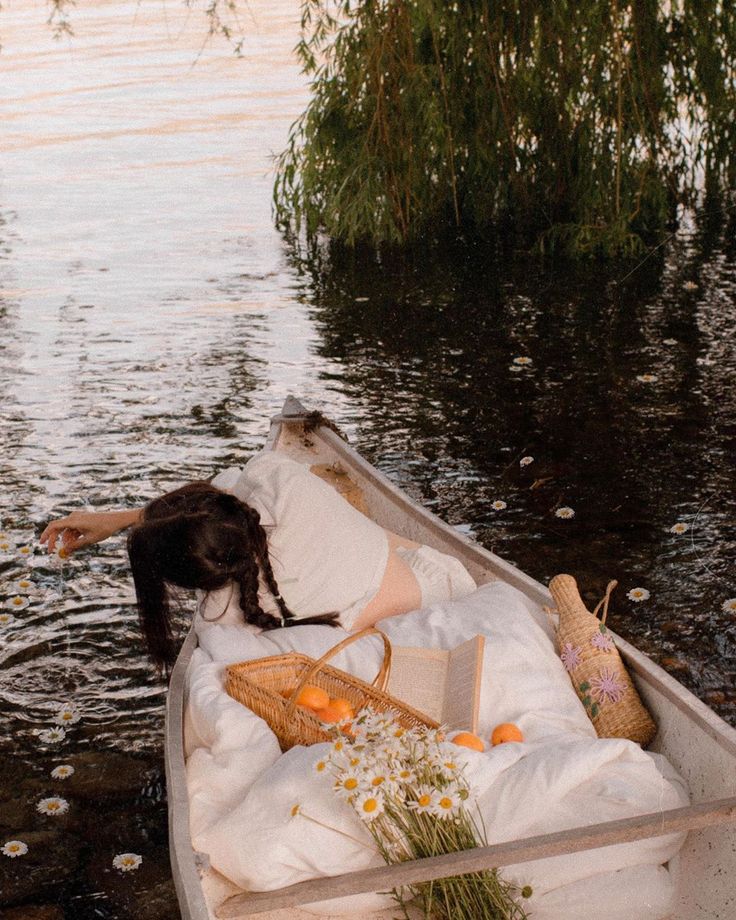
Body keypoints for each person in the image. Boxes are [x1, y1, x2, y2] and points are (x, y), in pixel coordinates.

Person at [40, 452, 476, 670]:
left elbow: (211, 511)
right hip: (440, 581)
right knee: (352, 525)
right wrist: (124, 519)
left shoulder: (225, 612)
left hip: (405, 612)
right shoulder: (278, 480)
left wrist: (120, 523)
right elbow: (223, 493)